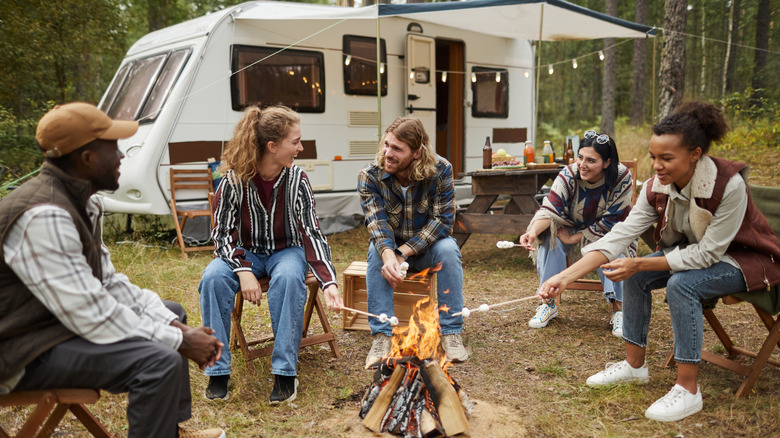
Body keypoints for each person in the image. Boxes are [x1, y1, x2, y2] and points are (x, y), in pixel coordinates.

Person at [538, 101, 780, 422]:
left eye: (666, 158)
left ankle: (688, 390)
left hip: (746, 262)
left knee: (680, 284)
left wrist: (639, 264)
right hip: (696, 254)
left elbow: (707, 254)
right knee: (635, 277)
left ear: (695, 154)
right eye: (653, 157)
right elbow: (622, 233)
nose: (656, 166)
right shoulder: (656, 187)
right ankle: (635, 366)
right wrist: (566, 276)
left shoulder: (728, 185)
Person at [0, 102, 225, 438]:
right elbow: (90, 312)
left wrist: (172, 326)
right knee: (159, 360)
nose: (122, 157)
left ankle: (167, 430)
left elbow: (107, 282)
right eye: (114, 149)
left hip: (51, 326)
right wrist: (179, 339)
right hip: (19, 352)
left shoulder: (80, 201)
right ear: (87, 158)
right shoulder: (45, 214)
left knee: (170, 312)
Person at [199, 105, 343, 404]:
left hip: (285, 250)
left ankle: (285, 373)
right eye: (295, 142)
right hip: (244, 252)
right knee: (212, 277)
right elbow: (222, 234)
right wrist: (243, 270)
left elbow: (311, 232)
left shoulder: (297, 180)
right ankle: (217, 370)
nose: (300, 148)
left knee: (290, 277)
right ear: (272, 146)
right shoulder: (234, 180)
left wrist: (329, 282)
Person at [358, 116, 468, 369]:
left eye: (397, 149)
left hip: (426, 249)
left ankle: (451, 332)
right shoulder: (370, 176)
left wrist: (402, 252)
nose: (388, 153)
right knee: (375, 252)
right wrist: (389, 254)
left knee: (449, 248)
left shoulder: (441, 170)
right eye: (386, 144)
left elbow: (442, 221)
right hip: (392, 248)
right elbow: (377, 224)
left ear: (417, 153)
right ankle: (382, 336)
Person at [518, 131, 635, 335]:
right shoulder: (569, 174)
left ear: (607, 163)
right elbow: (550, 209)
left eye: (591, 160)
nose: (582, 164)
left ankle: (619, 309)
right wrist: (533, 232)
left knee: (614, 247)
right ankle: (549, 303)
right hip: (572, 227)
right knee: (550, 238)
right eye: (580, 157)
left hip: (609, 232)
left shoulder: (622, 177)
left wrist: (575, 238)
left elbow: (614, 221)